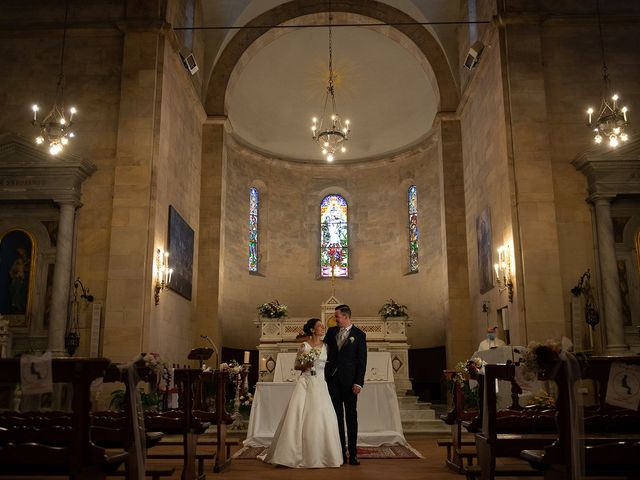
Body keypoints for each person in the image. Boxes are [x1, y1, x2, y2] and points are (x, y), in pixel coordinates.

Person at [259, 318, 343, 468]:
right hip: (305, 382)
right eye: (319, 326)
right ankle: (293, 454)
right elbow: (297, 366)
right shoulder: (304, 346)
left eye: (323, 326)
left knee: (322, 416)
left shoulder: (327, 347)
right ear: (312, 330)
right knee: (299, 415)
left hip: (321, 384)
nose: (323, 328)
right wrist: (307, 364)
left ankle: (324, 455)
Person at [324, 304, 367, 465]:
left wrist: (359, 382)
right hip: (333, 380)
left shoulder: (359, 335)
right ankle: (341, 453)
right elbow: (323, 349)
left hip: (350, 383)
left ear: (346, 317)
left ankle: (354, 454)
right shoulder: (331, 332)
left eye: (337, 317)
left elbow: (362, 361)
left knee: (351, 418)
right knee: (337, 418)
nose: (335, 320)